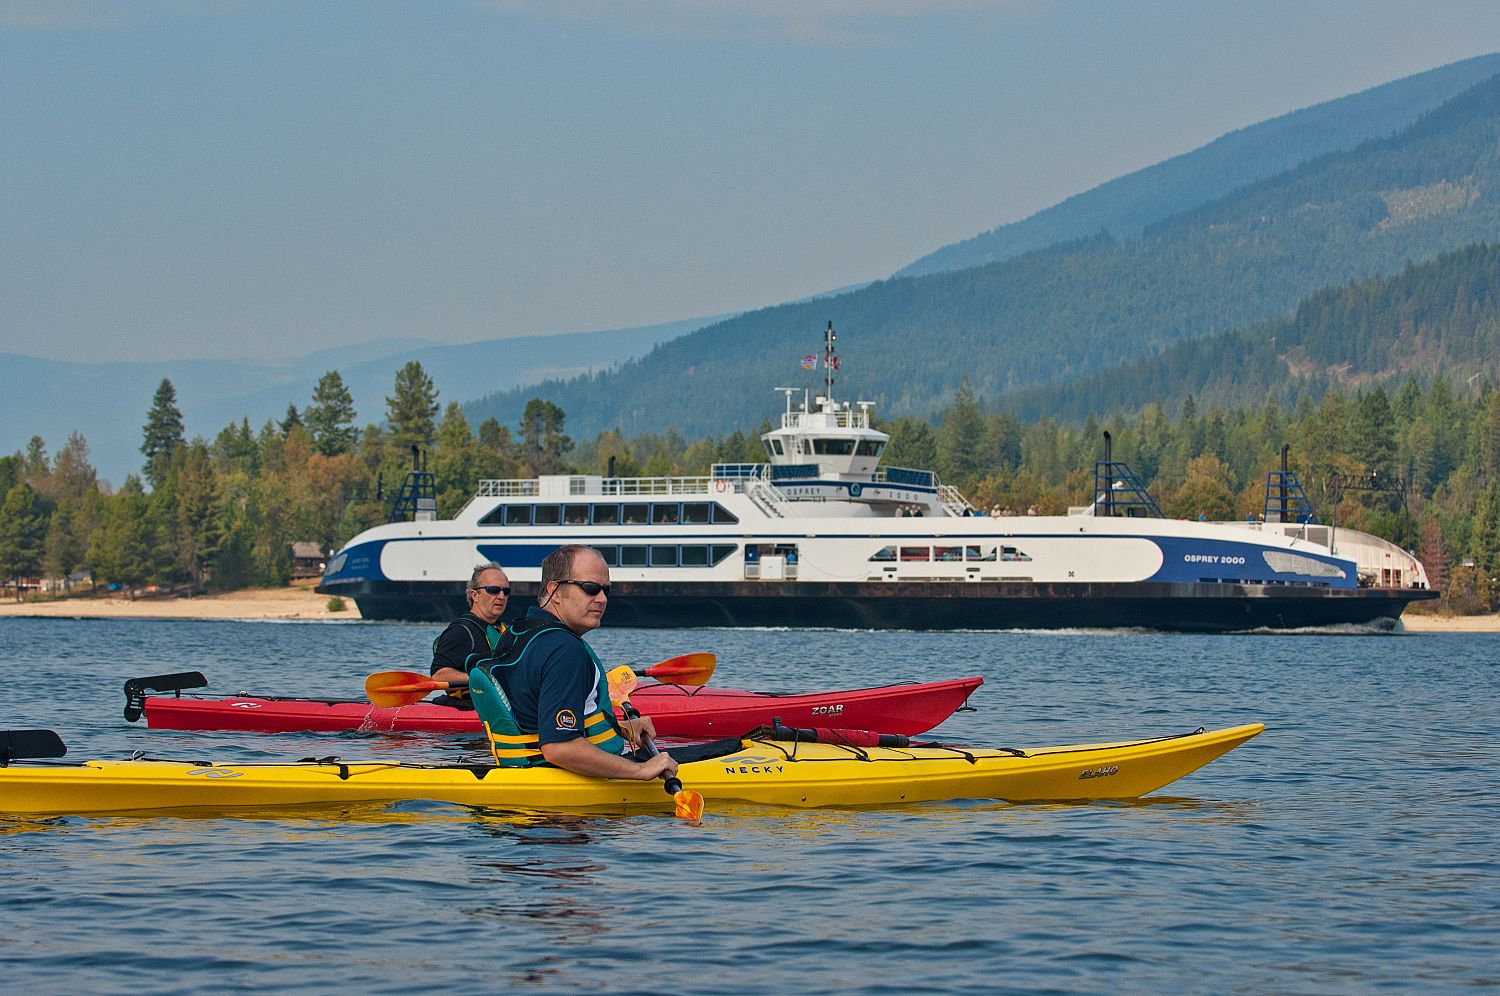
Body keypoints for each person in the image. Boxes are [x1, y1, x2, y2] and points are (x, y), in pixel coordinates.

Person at [469, 544, 677, 781]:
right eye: (590, 588)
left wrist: (620, 728)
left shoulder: (517, 633)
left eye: (606, 590)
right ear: (555, 591)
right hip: (560, 800)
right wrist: (641, 770)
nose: (602, 599)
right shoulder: (564, 650)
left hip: (523, 779)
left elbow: (532, 715)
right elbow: (559, 748)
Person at [429, 562, 511, 704]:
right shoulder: (460, 631)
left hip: (500, 705)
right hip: (469, 706)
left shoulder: (504, 630)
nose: (501, 596)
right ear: (475, 595)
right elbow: (438, 675)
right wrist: (478, 678)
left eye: (506, 591)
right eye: (493, 590)